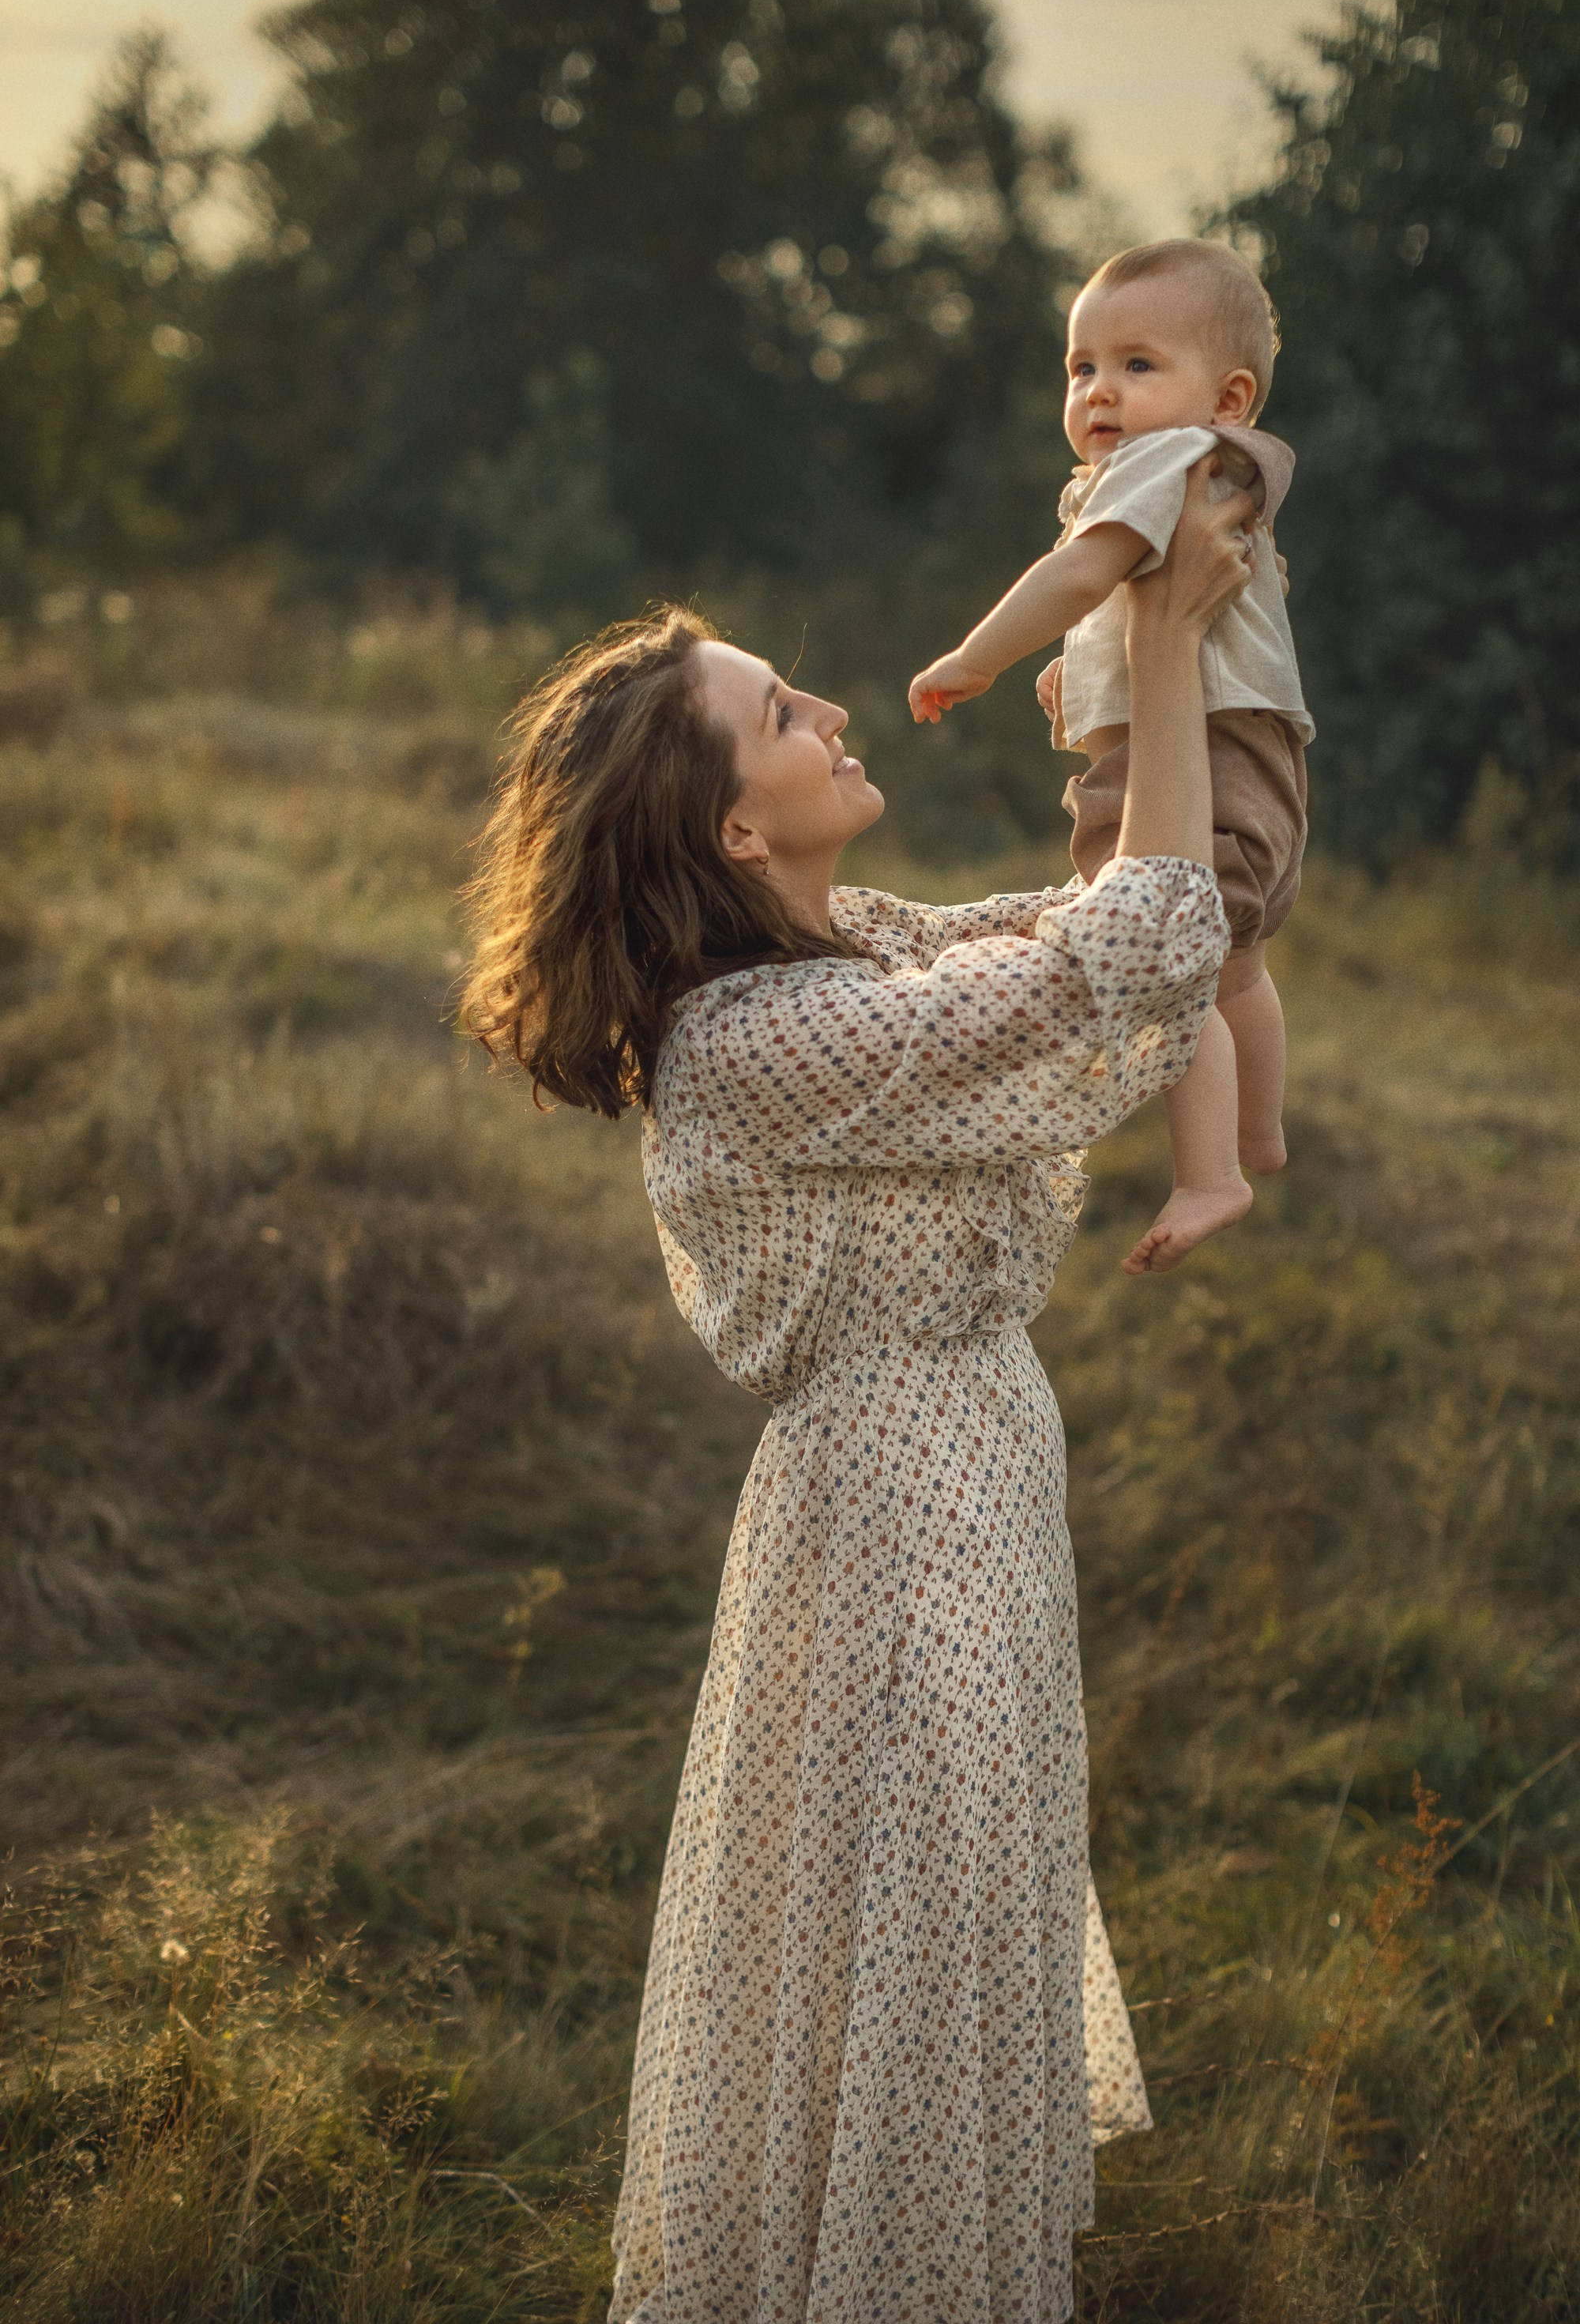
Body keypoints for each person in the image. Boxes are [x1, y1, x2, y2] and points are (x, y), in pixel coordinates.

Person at [460, 463, 1254, 2324]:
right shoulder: (752, 1043)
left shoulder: (859, 947)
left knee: (937, 1956)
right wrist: (1146, 618)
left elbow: (1101, 943)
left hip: (961, 1484)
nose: (825, 709)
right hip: (895, 1528)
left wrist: (1163, 670)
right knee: (913, 1963)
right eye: (779, 711)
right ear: (735, 827)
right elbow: (1138, 940)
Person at [909, 238, 1312, 1275]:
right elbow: (1158, 618)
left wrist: (978, 655)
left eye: (1139, 365)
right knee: (1238, 962)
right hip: (1262, 755)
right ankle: (1259, 1132)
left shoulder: (1159, 463)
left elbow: (1076, 576)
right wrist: (1083, 674)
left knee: (1175, 964)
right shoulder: (1213, 477)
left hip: (1204, 758)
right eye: (1081, 367)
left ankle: (1210, 1171)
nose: (1099, 391)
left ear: (1227, 397)